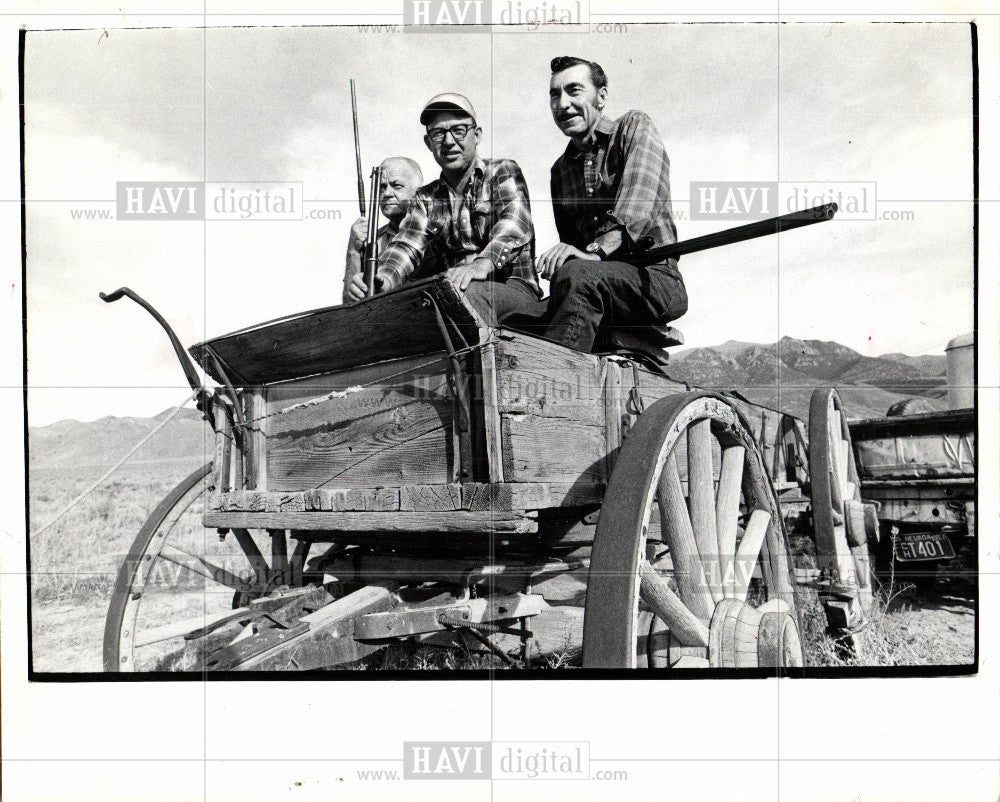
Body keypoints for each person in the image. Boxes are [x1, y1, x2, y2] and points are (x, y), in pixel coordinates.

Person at [537, 56, 688, 352]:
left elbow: (639, 207)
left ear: (601, 96)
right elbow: (571, 247)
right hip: (595, 280)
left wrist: (592, 254)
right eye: (555, 94)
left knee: (578, 275)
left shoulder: (633, 127)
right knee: (517, 317)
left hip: (655, 278)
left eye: (573, 90)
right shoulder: (560, 171)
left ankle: (555, 387)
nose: (562, 104)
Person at [375, 93, 541, 324]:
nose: (449, 141)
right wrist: (381, 279)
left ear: (477, 135)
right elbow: (406, 245)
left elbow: (514, 226)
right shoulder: (425, 198)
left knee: (467, 296)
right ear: (428, 142)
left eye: (459, 130)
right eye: (438, 133)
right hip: (454, 295)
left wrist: (482, 264)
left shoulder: (503, 171)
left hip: (513, 290)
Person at [343, 156, 424, 304]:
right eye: (382, 187)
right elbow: (349, 304)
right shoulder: (373, 241)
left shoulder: (435, 231)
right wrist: (353, 252)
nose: (387, 193)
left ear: (418, 192)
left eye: (397, 186)